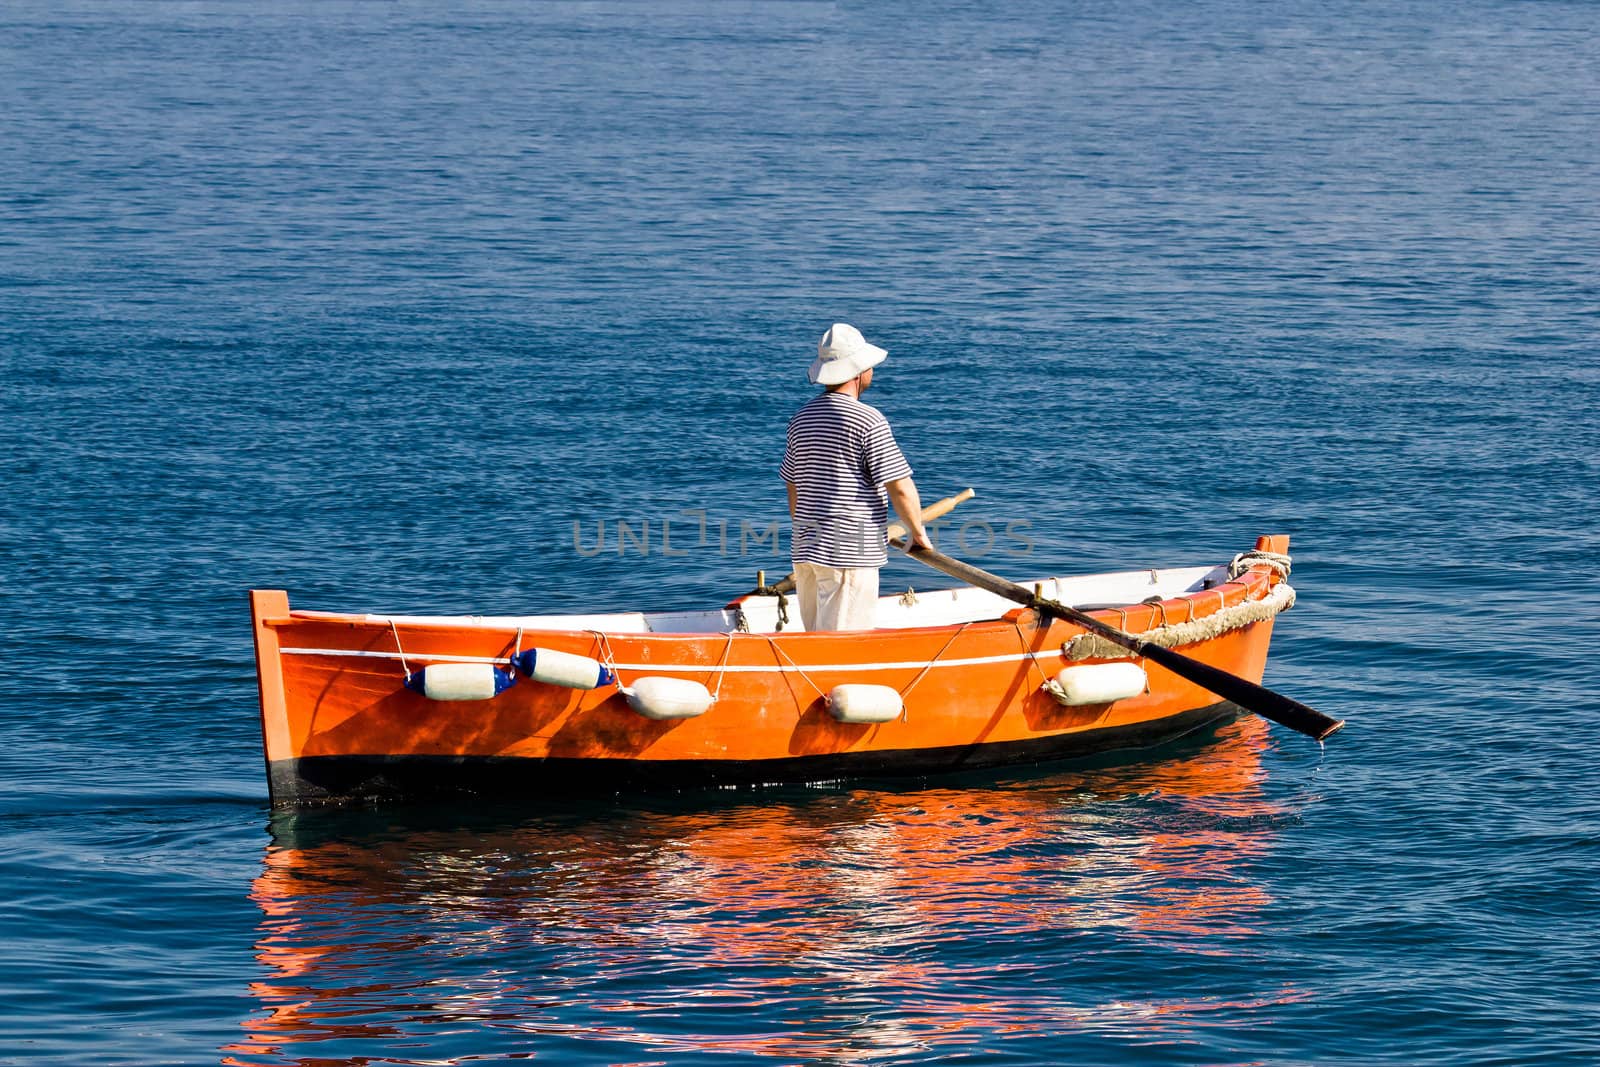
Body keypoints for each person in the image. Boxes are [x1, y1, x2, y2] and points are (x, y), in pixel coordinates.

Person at [780, 323, 933, 632]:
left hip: (806, 549)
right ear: (859, 372)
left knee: (814, 641)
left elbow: (792, 484)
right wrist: (919, 534)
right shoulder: (868, 420)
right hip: (847, 552)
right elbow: (900, 487)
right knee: (842, 644)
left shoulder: (801, 418)